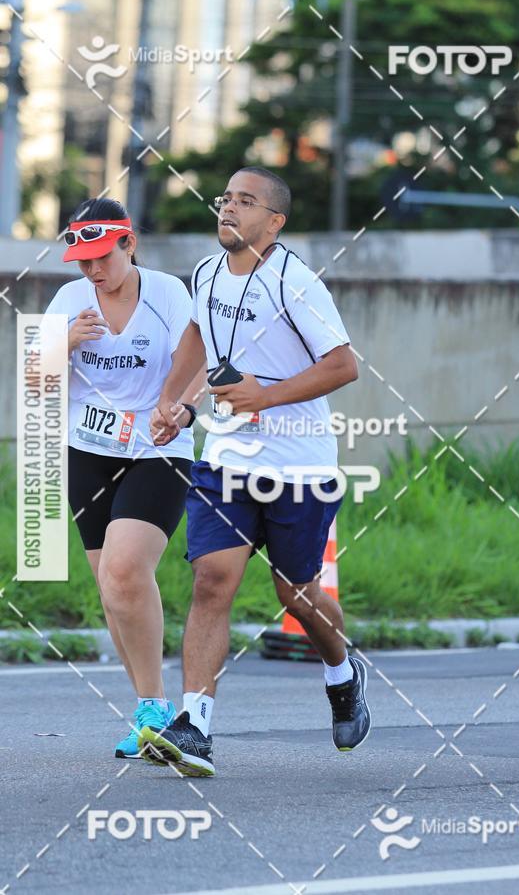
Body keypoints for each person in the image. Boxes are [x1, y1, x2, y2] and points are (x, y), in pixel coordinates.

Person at [139, 167, 371, 777]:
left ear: (275, 222)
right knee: (213, 580)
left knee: (296, 593)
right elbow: (195, 333)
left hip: (299, 463)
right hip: (226, 461)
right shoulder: (208, 273)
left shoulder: (296, 284)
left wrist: (263, 397)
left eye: (247, 202)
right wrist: (176, 403)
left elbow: (344, 365)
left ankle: (343, 673)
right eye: (226, 199)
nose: (230, 210)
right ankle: (195, 726)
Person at [44, 197, 202, 759]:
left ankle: (160, 709)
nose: (93, 271)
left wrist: (179, 409)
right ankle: (149, 710)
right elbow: (32, 381)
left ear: (129, 244)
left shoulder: (168, 295)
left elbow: (198, 363)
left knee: (126, 570)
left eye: (102, 258)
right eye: (83, 261)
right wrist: (64, 343)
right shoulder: (67, 301)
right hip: (87, 452)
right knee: (113, 590)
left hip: (159, 449)